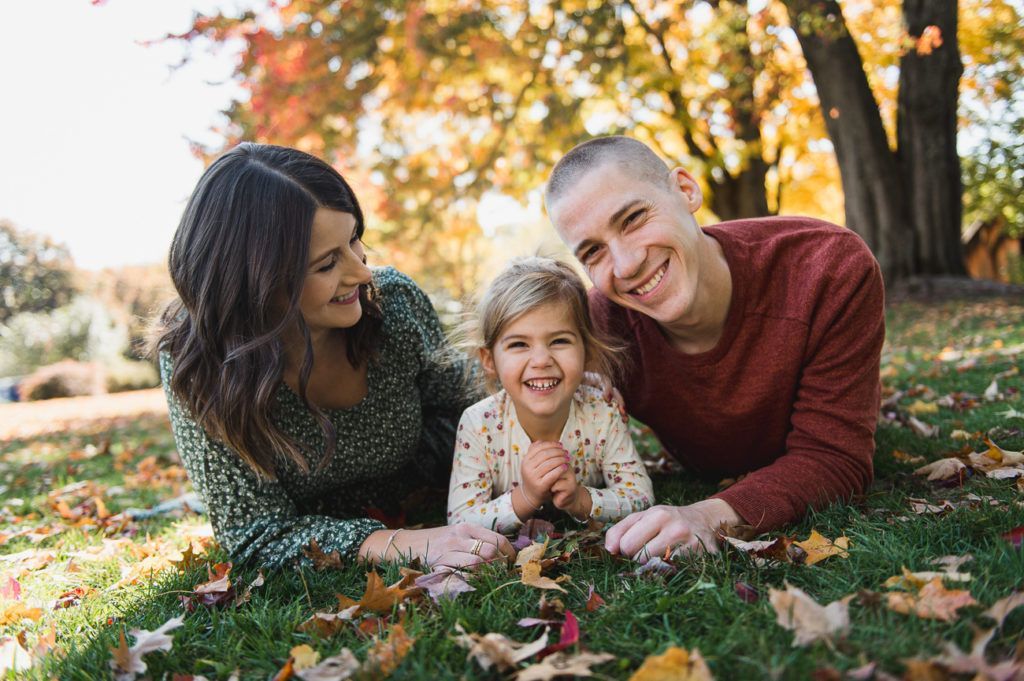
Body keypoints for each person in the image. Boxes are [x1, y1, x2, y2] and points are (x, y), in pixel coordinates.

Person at [152, 143, 514, 570]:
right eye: (326, 265)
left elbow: (471, 400)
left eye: (354, 240)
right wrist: (411, 545)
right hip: (329, 524)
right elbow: (254, 532)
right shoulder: (199, 365)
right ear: (256, 286)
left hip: (433, 482)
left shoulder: (392, 303)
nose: (362, 272)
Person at [544, 136, 884, 563]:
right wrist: (570, 407)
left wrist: (709, 516)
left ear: (686, 190)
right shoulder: (599, 327)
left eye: (632, 218)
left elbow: (835, 458)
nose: (626, 265)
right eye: (593, 252)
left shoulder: (827, 267)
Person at [447, 257, 654, 532]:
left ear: (587, 350)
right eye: (519, 344)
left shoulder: (601, 413)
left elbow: (641, 498)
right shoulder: (479, 424)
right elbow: (460, 521)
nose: (541, 360)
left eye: (559, 341)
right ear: (489, 360)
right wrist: (525, 498)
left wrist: (581, 499)